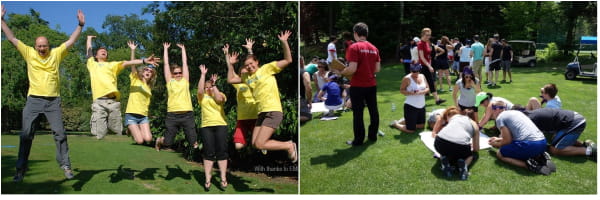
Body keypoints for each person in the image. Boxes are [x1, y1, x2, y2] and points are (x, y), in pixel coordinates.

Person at [2, 5, 83, 182]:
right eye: (39, 46)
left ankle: (66, 166)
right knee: (26, 135)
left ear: (48, 46)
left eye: (44, 46)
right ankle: (20, 170)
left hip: (53, 101)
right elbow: (12, 38)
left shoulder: (56, 54)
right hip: (33, 101)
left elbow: (70, 41)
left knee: (60, 134)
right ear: (35, 46)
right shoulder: (29, 53)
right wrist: (1, 20)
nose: (41, 49)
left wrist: (80, 26)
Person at [225, 30, 297, 162]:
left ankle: (288, 145)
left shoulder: (266, 69)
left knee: (260, 144)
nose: (250, 66)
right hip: (261, 113)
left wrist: (284, 42)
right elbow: (230, 80)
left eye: (252, 64)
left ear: (257, 62)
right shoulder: (246, 77)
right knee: (254, 143)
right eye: (247, 66)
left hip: (272, 111)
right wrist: (230, 64)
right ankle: (280, 145)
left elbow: (288, 60)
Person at [86, 36, 160, 140]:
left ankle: (129, 129)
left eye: (105, 51)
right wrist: (89, 39)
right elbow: (88, 51)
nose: (104, 51)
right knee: (100, 134)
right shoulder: (92, 64)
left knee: (117, 130)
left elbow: (128, 63)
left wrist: (144, 60)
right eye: (101, 51)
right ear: (96, 55)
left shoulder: (112, 65)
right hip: (99, 102)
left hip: (113, 103)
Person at [335, 22, 381, 146]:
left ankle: (358, 140)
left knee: (358, 113)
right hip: (371, 84)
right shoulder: (374, 48)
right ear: (366, 33)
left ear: (355, 33)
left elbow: (352, 69)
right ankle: (372, 135)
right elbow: (377, 69)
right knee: (373, 110)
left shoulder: (354, 47)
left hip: (358, 85)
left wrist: (341, 71)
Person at [488, 101, 552, 175]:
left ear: (495, 109)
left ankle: (530, 165)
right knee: (516, 146)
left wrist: (496, 144)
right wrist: (498, 139)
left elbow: (507, 141)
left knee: (500, 153)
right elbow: (514, 136)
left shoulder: (500, 118)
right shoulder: (516, 112)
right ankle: (539, 156)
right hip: (543, 142)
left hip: (530, 145)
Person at [155, 43, 198, 151]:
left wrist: (183, 49)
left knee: (194, 142)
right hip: (172, 115)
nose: (178, 74)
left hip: (187, 114)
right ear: (172, 74)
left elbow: (185, 63)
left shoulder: (185, 81)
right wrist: (165, 49)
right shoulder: (170, 82)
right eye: (176, 73)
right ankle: (159, 141)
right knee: (168, 142)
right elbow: (166, 64)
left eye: (180, 73)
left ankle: (194, 145)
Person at [197, 65, 229, 191]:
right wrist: (203, 75)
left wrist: (214, 85)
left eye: (210, 87)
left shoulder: (220, 93)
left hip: (221, 125)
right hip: (206, 127)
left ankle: (223, 178)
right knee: (208, 153)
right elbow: (199, 90)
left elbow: (219, 100)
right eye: (207, 87)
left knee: (222, 153)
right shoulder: (202, 97)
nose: (208, 89)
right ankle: (207, 179)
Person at [223, 40, 259, 151]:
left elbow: (254, 65)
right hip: (242, 118)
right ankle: (248, 141)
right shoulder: (238, 85)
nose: (244, 75)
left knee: (258, 143)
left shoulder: (254, 80)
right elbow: (230, 71)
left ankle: (255, 142)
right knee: (238, 146)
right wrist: (226, 55)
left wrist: (250, 49)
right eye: (242, 74)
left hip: (256, 117)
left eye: (246, 73)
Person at [522, 108, 596, 160]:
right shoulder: (530, 114)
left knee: (554, 150)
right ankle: (584, 144)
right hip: (573, 119)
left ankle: (590, 151)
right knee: (554, 141)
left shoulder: (529, 120)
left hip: (574, 122)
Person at [432, 106, 480, 180]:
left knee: (444, 152)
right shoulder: (475, 125)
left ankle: (444, 161)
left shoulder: (454, 117)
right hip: (460, 147)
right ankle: (464, 167)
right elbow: (476, 149)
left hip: (440, 141)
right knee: (470, 156)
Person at [124, 41, 158, 145]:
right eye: (146, 70)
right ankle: (129, 129)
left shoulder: (149, 87)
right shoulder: (135, 79)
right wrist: (133, 50)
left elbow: (146, 102)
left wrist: (149, 114)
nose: (148, 72)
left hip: (143, 116)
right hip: (131, 114)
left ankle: (131, 129)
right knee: (139, 141)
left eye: (150, 71)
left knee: (148, 139)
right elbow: (132, 64)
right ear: (142, 72)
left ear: (152, 75)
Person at [390, 64, 429, 133]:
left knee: (421, 126)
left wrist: (422, 92)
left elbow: (428, 88)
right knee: (411, 130)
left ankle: (407, 121)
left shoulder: (422, 76)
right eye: (413, 71)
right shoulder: (407, 78)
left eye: (417, 71)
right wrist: (411, 93)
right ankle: (396, 124)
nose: (415, 73)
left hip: (421, 106)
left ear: (419, 70)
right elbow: (401, 90)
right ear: (410, 70)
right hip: (411, 106)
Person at [418, 28, 445, 105]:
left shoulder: (426, 43)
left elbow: (428, 55)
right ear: (422, 34)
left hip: (427, 65)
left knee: (429, 82)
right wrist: (429, 66)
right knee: (426, 83)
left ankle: (437, 100)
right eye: (427, 35)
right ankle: (436, 100)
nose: (428, 37)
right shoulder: (420, 43)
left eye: (429, 35)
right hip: (423, 66)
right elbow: (422, 57)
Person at [300, 57, 313, 123]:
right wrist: (309, 101)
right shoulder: (304, 73)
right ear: (302, 61)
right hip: (300, 99)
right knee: (308, 116)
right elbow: (309, 88)